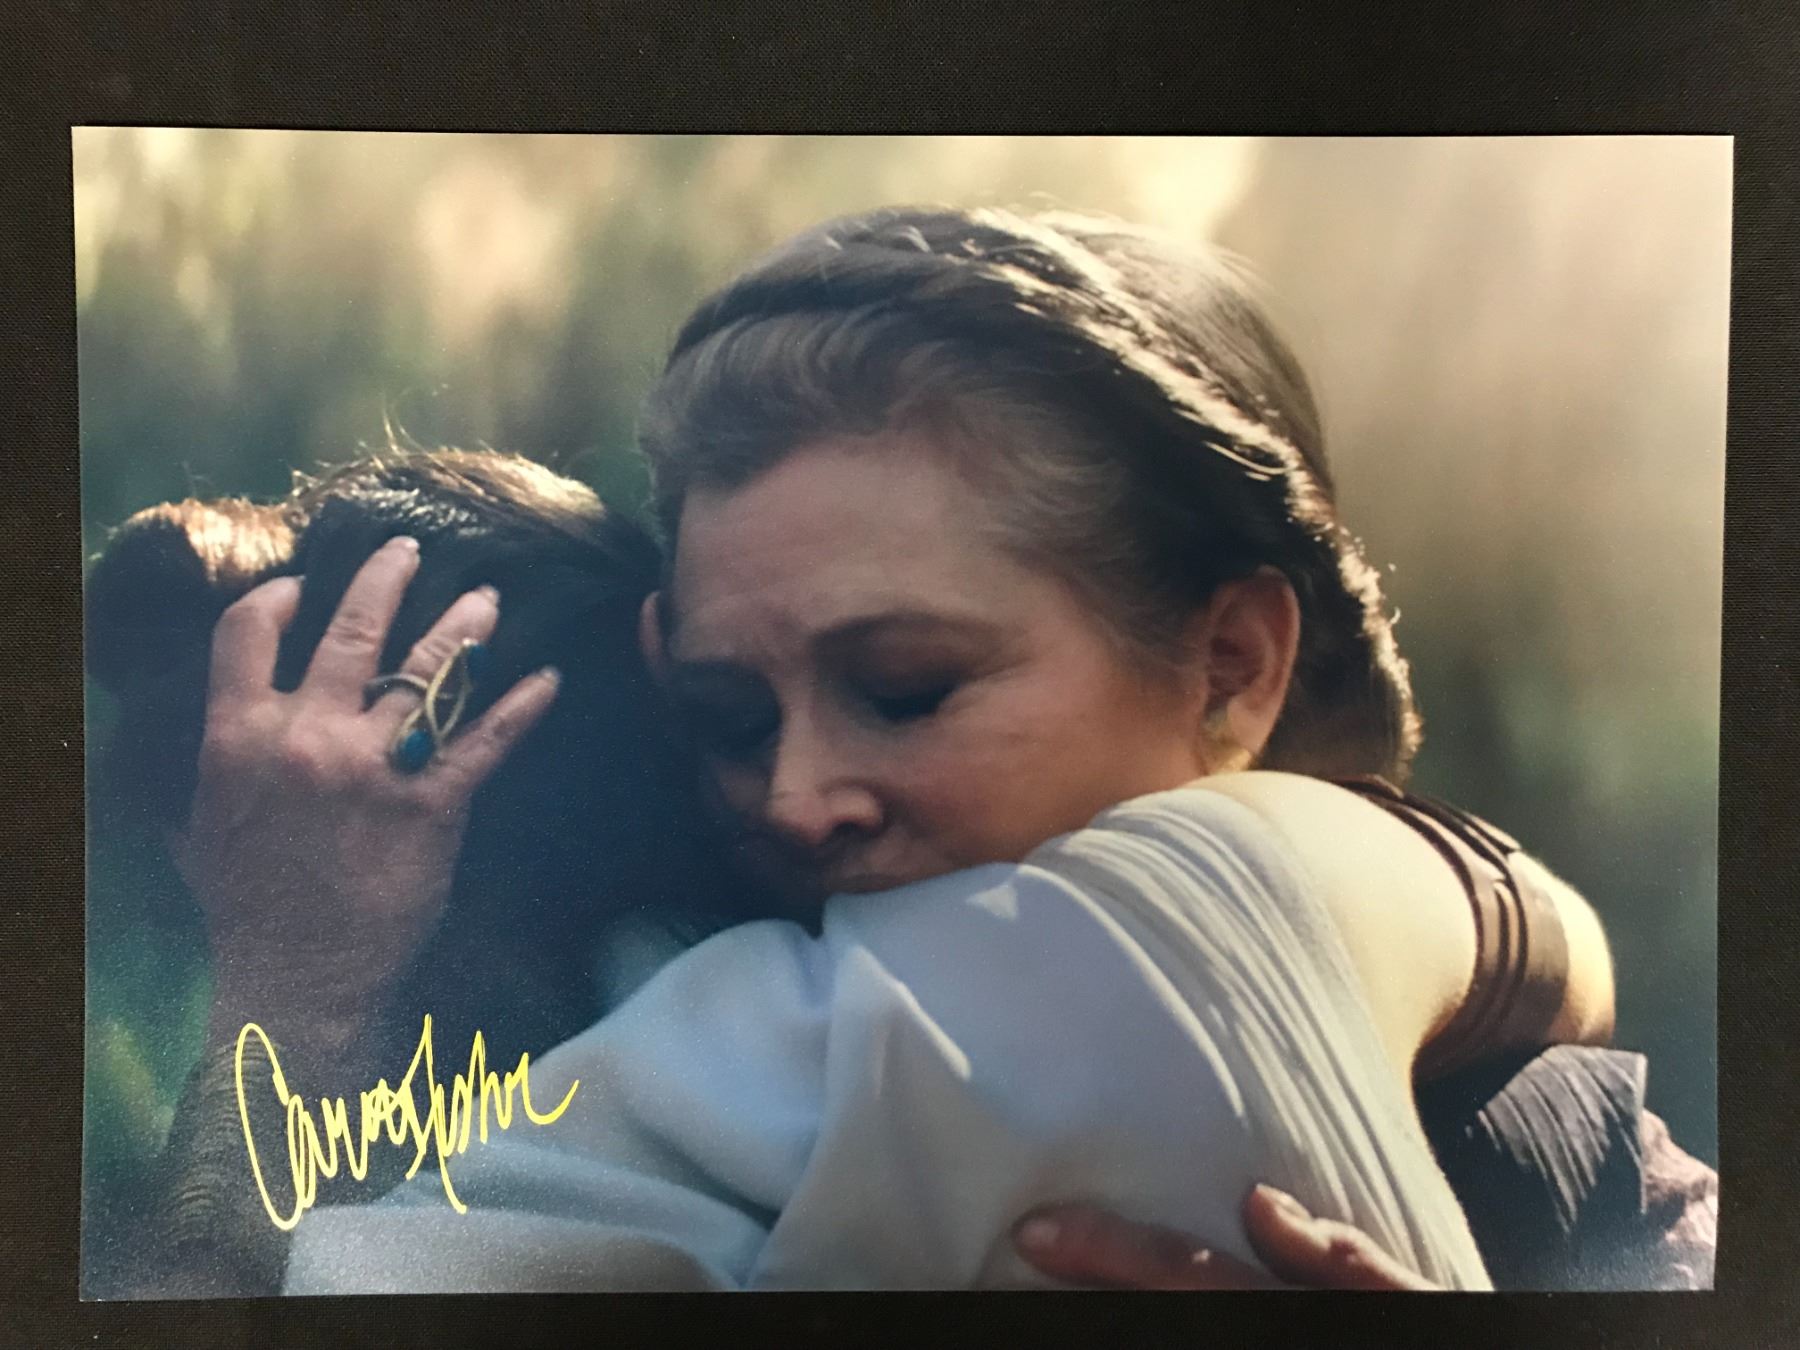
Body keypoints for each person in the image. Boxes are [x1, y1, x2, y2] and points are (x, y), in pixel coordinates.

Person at [84, 206, 1708, 1293]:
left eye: (911, 685)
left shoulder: (1582, 1171)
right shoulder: (691, 1058)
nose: (793, 798)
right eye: (726, 721)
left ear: (1231, 666)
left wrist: (283, 1001)